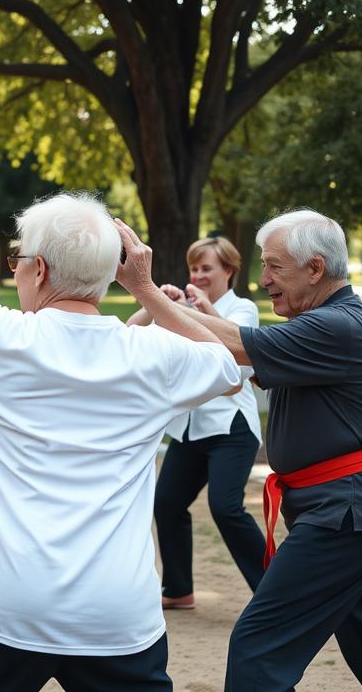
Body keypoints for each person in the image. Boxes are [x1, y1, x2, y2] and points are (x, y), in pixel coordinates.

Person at [0, 193, 243, 691]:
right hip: (116, 610)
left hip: (5, 602)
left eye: (16, 261)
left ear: (38, 270)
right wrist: (146, 289)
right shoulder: (150, 354)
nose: (13, 271)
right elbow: (227, 368)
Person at [134, 209, 362, 691]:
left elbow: (239, 348)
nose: (263, 281)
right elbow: (244, 356)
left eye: (274, 267)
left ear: (315, 269)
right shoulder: (323, 321)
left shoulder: (337, 325)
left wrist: (145, 289)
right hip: (357, 507)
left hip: (347, 512)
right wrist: (192, 311)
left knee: (259, 645)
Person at [127, 237, 266, 610]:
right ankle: (178, 589)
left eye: (207, 268)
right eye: (194, 268)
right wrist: (155, 299)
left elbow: (242, 369)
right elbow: (132, 333)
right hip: (189, 429)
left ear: (229, 272)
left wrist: (204, 312)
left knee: (226, 507)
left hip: (231, 428)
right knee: (166, 503)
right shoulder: (181, 308)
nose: (199, 275)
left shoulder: (243, 308)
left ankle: (274, 592)